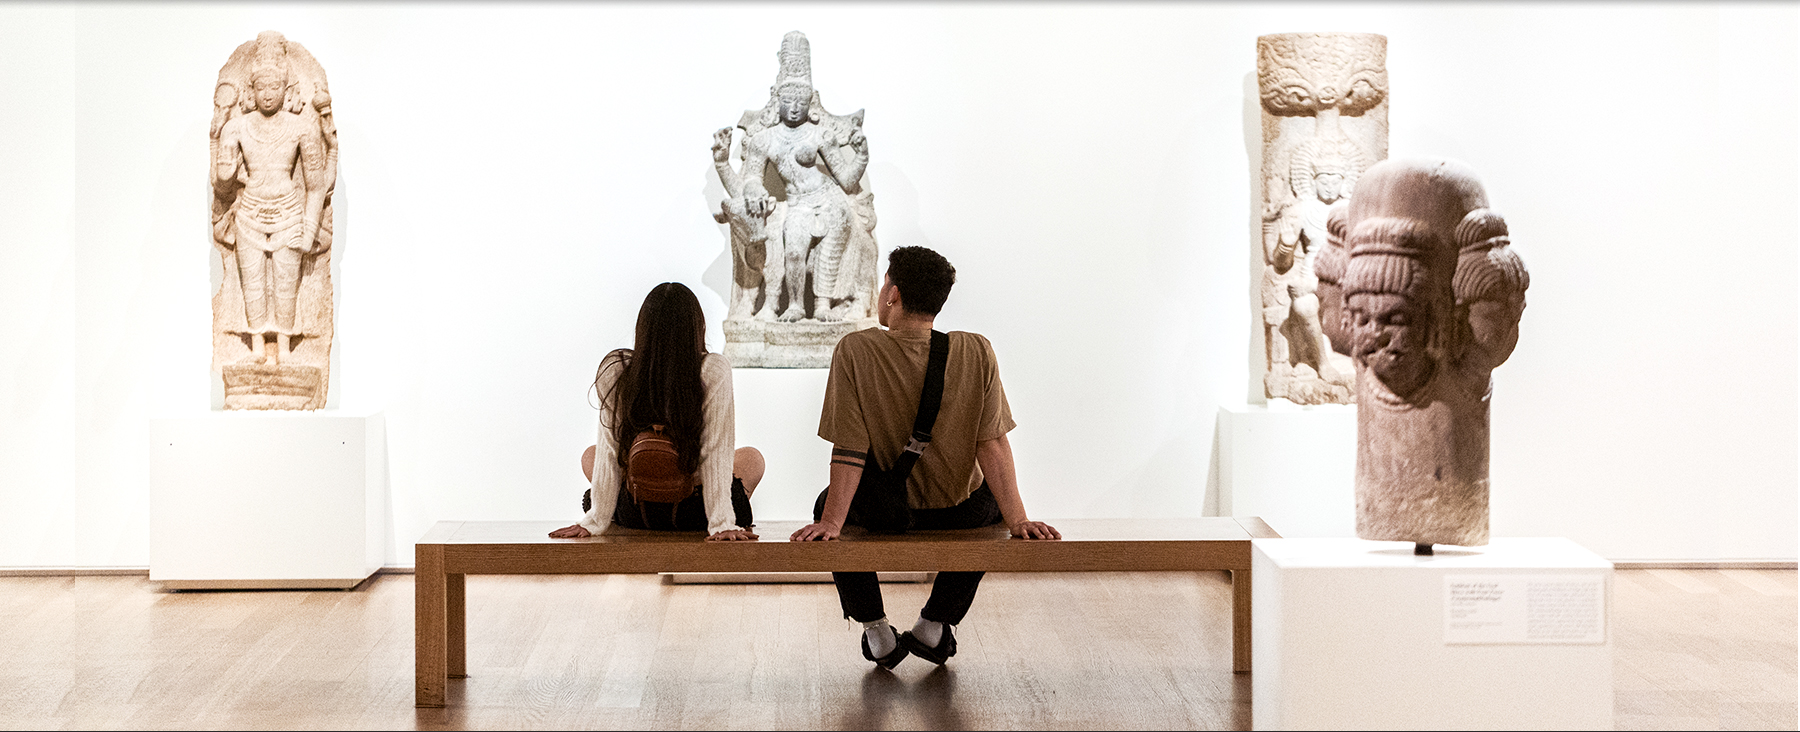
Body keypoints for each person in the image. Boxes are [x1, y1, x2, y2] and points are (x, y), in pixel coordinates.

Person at [791, 246, 1060, 669]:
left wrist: (831, 523)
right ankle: (934, 624)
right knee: (990, 505)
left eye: (883, 284)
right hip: (959, 513)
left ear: (893, 294)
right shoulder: (976, 351)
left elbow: (850, 449)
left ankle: (877, 633)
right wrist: (1018, 520)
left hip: (889, 514)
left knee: (828, 504)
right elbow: (991, 443)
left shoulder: (856, 351)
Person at [550, 283, 763, 541]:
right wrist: (722, 523)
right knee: (752, 459)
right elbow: (714, 450)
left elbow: (610, 450)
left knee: (591, 455)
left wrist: (595, 519)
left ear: (643, 330)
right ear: (697, 328)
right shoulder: (712, 369)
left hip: (635, 511)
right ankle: (716, 515)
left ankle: (610, 509)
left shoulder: (615, 369)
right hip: (696, 514)